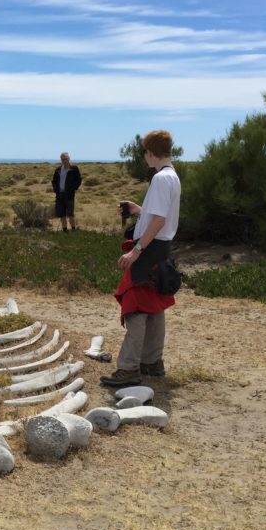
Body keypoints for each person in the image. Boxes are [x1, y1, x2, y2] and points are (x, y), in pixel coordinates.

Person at [100, 130, 181, 388]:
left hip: (149, 249)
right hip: (162, 249)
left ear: (150, 152)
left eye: (145, 152)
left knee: (136, 308)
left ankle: (129, 368)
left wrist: (136, 250)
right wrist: (138, 210)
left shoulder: (160, 179)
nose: (144, 157)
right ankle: (152, 362)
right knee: (154, 306)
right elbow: (158, 214)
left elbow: (158, 220)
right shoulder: (172, 176)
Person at [51, 152, 82, 231]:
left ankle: (73, 230)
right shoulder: (58, 170)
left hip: (69, 195)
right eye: (63, 159)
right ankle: (64, 230)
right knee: (62, 214)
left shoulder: (74, 168)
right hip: (60, 195)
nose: (64, 161)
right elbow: (54, 181)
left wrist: (73, 189)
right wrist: (56, 190)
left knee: (70, 214)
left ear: (69, 159)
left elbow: (78, 180)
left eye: (66, 159)